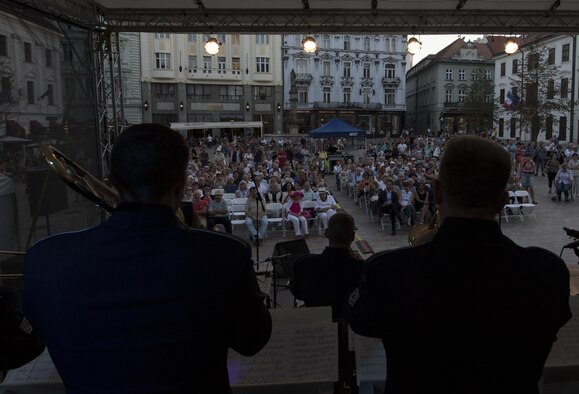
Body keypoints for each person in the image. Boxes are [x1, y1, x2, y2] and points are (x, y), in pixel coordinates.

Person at [23, 124, 271, 394]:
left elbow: (29, 344)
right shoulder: (225, 255)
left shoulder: (45, 261)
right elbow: (253, 341)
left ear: (112, 180)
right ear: (181, 184)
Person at [346, 135, 571, 394]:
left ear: (437, 191)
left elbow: (359, 319)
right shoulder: (546, 272)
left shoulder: (389, 272)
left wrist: (419, 248)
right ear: (503, 201)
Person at [291, 213, 363, 319]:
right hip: (350, 324)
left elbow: (298, 293)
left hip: (316, 321)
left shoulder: (304, 264)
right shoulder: (361, 268)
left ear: (326, 233)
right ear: (353, 237)